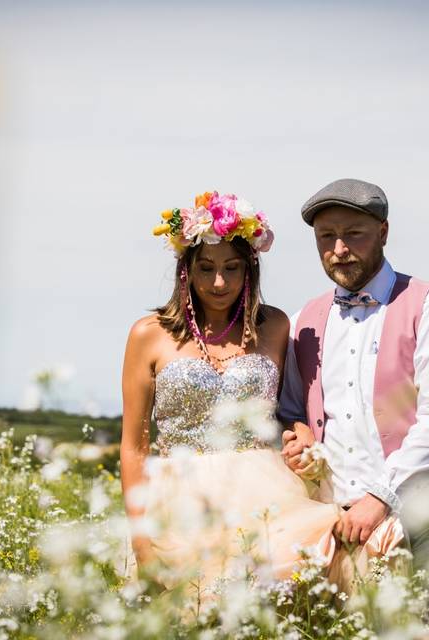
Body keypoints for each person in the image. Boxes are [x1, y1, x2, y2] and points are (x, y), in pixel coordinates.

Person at [120, 190, 405, 595]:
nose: (219, 282)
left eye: (232, 269)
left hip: (266, 491)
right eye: (206, 269)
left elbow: (291, 409)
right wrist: (141, 539)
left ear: (249, 270)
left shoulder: (275, 326)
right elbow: (134, 447)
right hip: (179, 499)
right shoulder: (148, 334)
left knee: (348, 552)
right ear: (187, 271)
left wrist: (301, 431)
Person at [278, 178, 429, 601]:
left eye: (353, 234)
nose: (339, 249)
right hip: (335, 525)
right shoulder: (303, 321)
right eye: (326, 236)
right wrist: (297, 440)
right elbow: (294, 411)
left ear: (383, 232)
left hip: (426, 516)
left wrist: (381, 498)